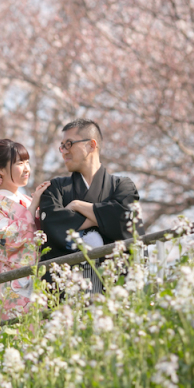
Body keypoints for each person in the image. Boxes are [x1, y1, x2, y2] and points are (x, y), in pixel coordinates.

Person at [38, 119, 142, 293]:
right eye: (61, 146)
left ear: (91, 145)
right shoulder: (55, 188)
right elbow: (52, 224)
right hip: (69, 290)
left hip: (115, 286)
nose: (63, 152)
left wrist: (78, 206)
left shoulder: (123, 185)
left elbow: (126, 220)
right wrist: (103, 218)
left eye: (69, 144)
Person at [0, 139, 51, 318]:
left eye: (27, 162)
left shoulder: (28, 200)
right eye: (19, 163)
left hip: (40, 278)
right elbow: (4, 240)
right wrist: (33, 210)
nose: (27, 168)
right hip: (15, 284)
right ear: (0, 169)